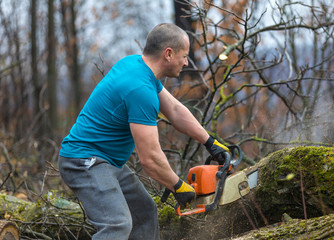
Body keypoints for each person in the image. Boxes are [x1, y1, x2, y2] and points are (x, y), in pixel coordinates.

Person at [58, 23, 228, 240]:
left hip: (106, 161)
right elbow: (150, 159)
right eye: (184, 56)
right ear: (168, 54)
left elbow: (174, 110)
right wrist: (178, 185)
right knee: (117, 225)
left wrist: (209, 141)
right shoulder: (140, 90)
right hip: (83, 162)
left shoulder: (137, 67)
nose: (186, 62)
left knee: (144, 213)